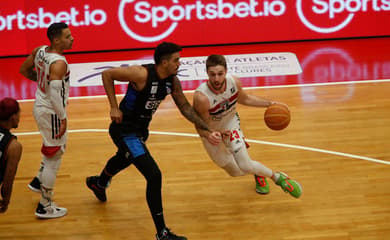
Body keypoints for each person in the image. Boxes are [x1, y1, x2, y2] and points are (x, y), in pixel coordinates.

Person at [86, 42, 221, 240]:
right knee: (154, 175)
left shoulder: (172, 81)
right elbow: (107, 74)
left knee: (124, 158)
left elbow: (185, 107)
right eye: (176, 60)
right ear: (164, 62)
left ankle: (99, 183)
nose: (179, 63)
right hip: (125, 131)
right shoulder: (141, 74)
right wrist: (114, 107)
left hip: (140, 132)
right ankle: (162, 233)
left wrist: (207, 129)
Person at [193, 54, 302, 198]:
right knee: (235, 172)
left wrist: (270, 104)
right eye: (212, 74)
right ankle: (257, 173)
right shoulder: (202, 98)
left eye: (220, 74)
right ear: (207, 73)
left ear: (226, 71)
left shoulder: (234, 83)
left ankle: (278, 178)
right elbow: (200, 125)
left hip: (231, 125)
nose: (216, 79)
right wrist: (212, 133)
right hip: (213, 133)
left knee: (245, 165)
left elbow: (246, 98)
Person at [19, 22, 74, 219]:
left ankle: (37, 181)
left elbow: (24, 70)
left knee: (51, 148)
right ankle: (45, 205)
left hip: (40, 106)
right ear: (57, 40)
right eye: (68, 36)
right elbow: (54, 94)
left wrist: (42, 79)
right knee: (55, 155)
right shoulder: (59, 63)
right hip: (51, 112)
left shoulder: (40, 50)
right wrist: (63, 117)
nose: (72, 39)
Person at [0, 97, 23, 213]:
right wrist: (5, 201)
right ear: (13, 117)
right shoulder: (13, 146)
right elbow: (7, 182)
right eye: (19, 114)